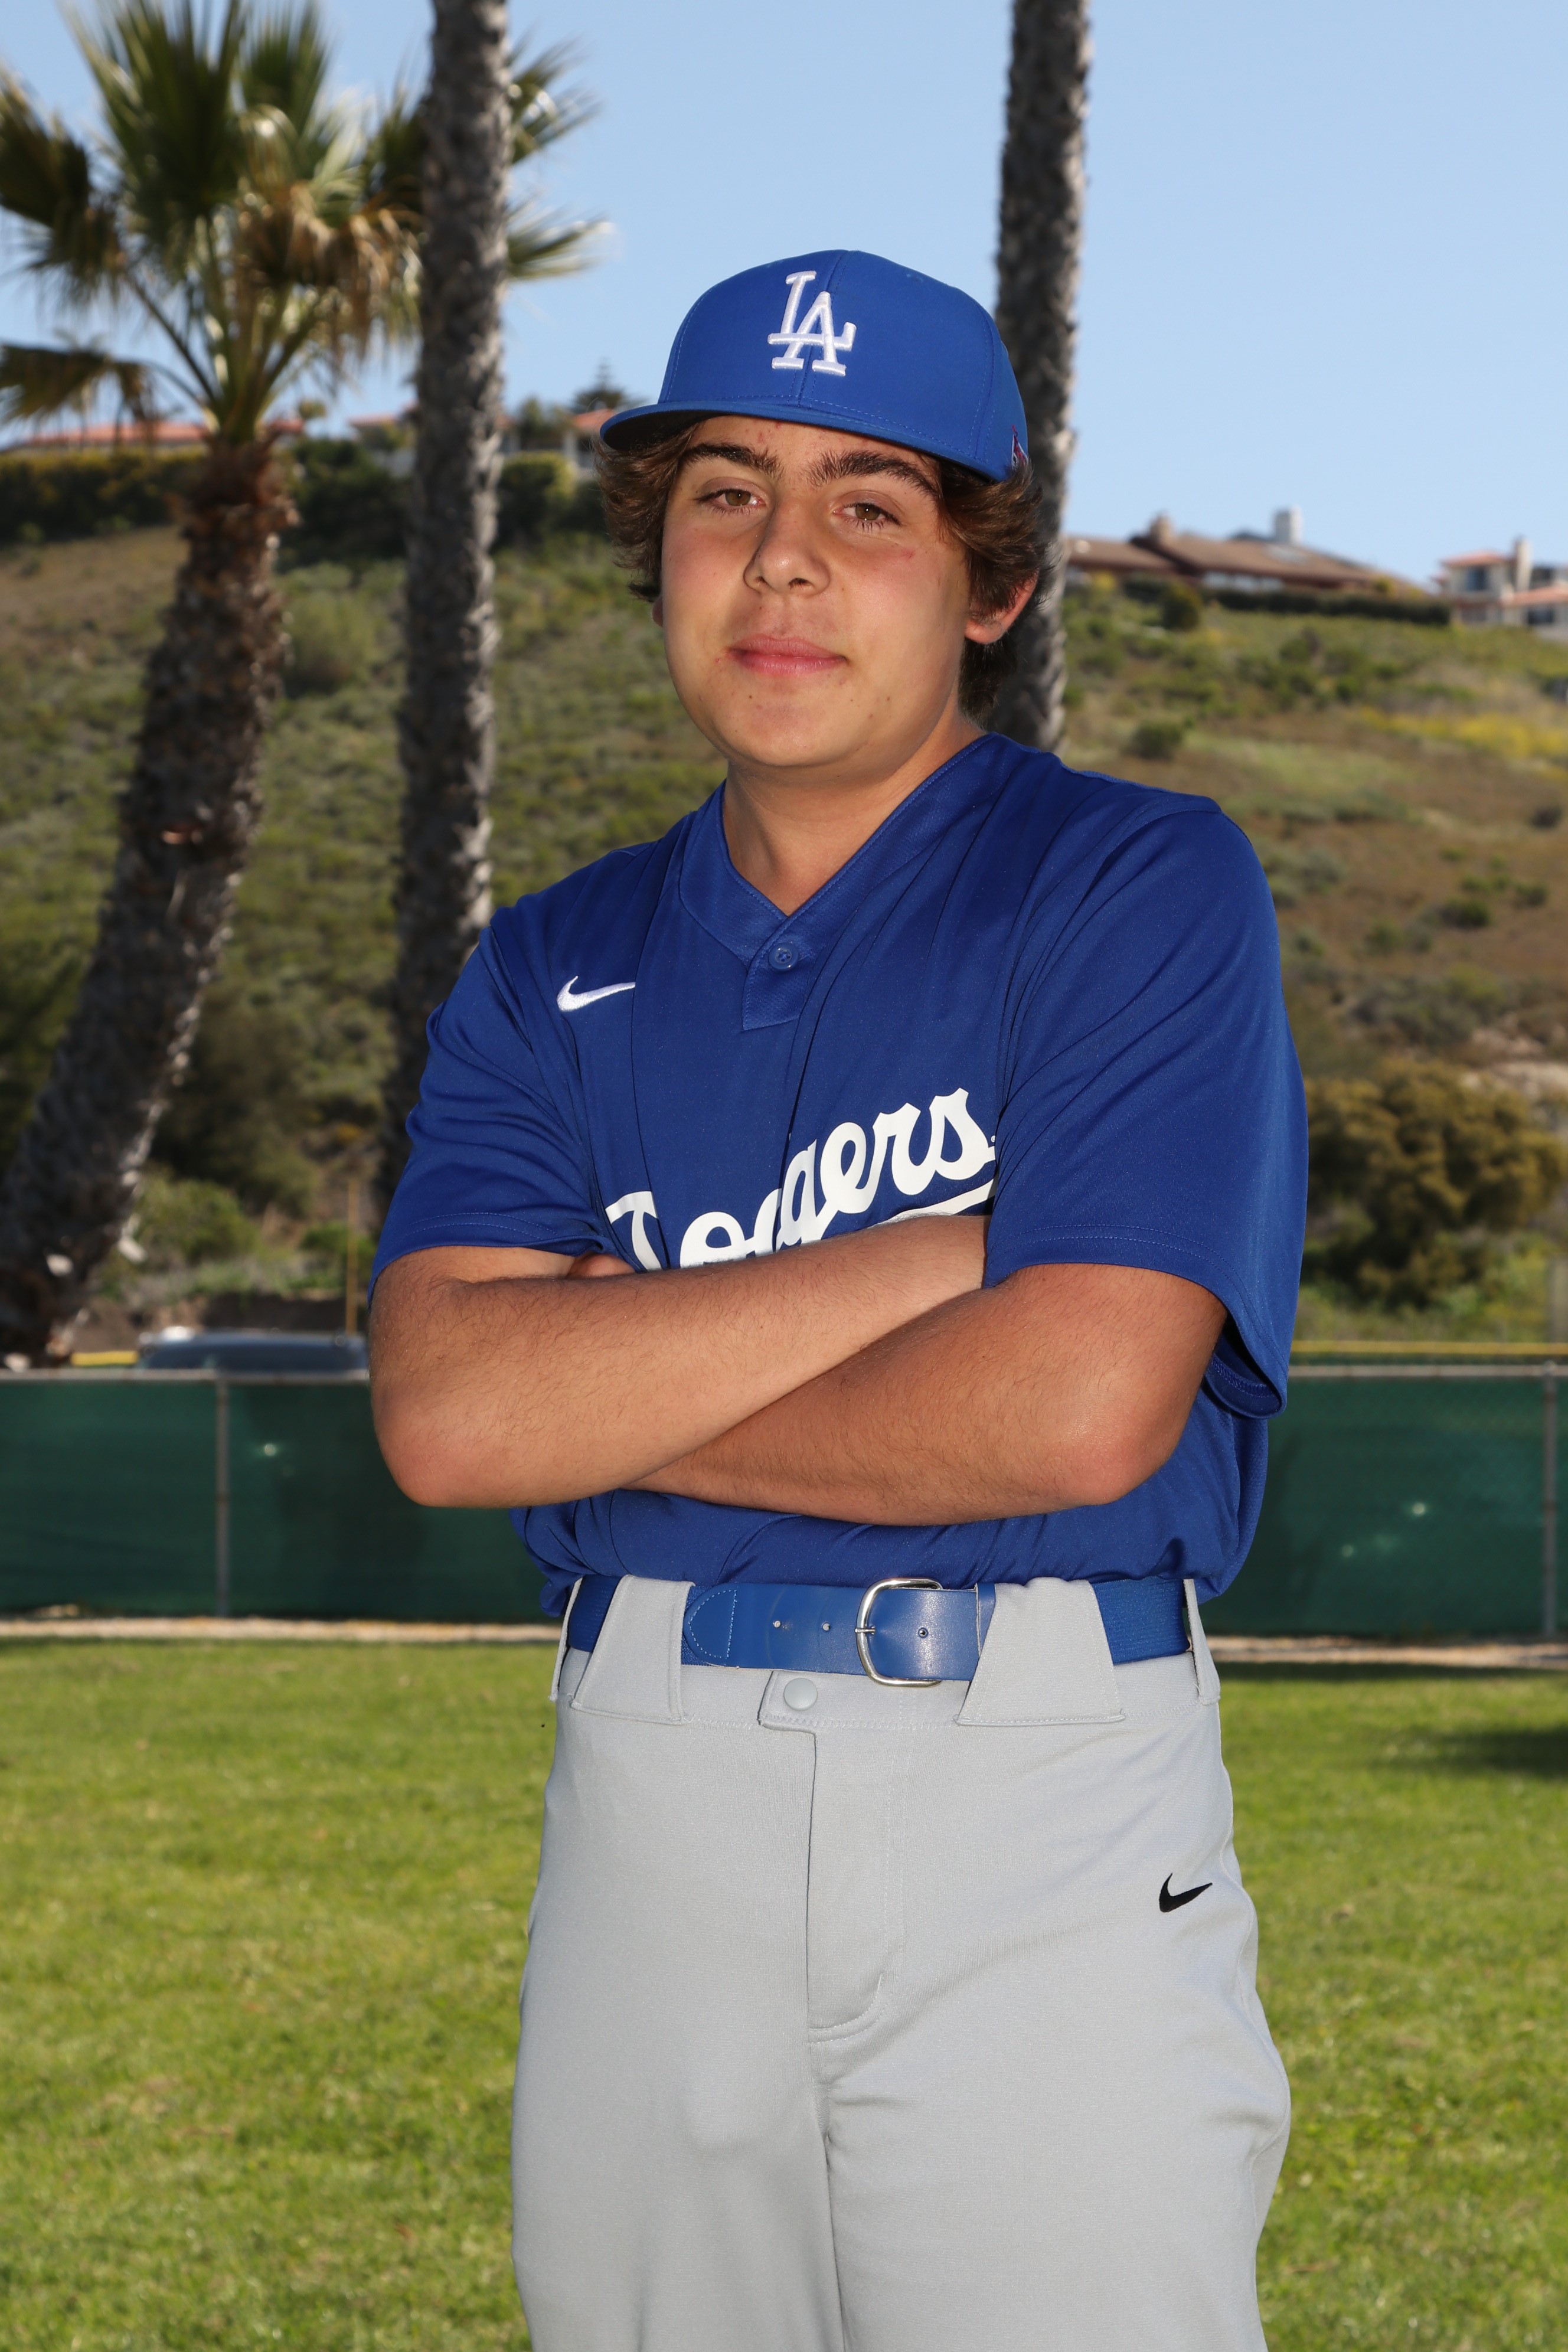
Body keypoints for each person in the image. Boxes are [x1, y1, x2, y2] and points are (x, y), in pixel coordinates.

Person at [369, 249, 1307, 2352]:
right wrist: (943, 1258)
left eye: (871, 502)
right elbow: (445, 1416)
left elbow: (1077, 1408)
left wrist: (600, 1396)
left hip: (1038, 1781)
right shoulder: (548, 964)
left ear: (992, 583)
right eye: (726, 492)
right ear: (660, 551)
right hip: (647, 1792)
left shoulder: (1136, 882)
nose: (782, 558)